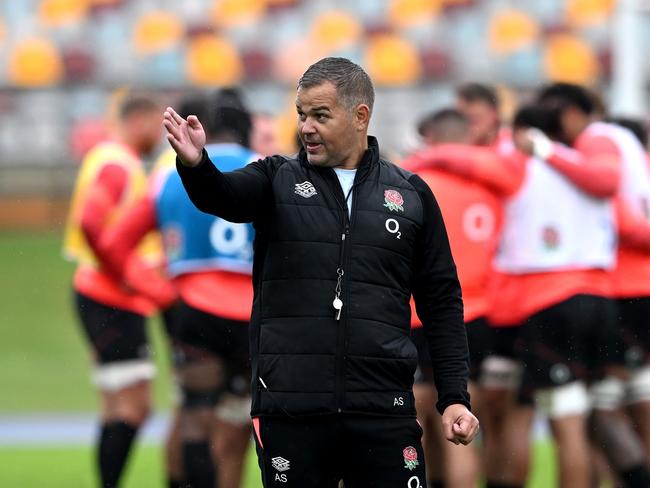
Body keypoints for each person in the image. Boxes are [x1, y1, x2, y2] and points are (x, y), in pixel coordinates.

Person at [164, 56, 478, 487]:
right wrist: (197, 165)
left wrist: (454, 398)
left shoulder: (410, 194)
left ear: (360, 115)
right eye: (301, 115)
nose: (306, 126)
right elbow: (223, 197)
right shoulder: (276, 178)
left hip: (383, 407)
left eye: (320, 115)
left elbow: (441, 301)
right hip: (290, 408)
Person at [101, 89, 258, 488]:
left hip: (195, 313)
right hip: (256, 317)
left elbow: (113, 244)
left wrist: (157, 291)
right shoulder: (266, 169)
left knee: (194, 421)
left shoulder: (168, 177)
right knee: (255, 422)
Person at [496, 94, 623, 488]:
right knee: (590, 419)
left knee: (563, 424)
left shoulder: (519, 166)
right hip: (602, 299)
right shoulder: (586, 167)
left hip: (548, 301)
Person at [63, 93, 173, 488]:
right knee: (134, 407)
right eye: (156, 125)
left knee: (116, 408)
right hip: (111, 298)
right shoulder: (119, 165)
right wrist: (125, 271)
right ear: (140, 120)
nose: (158, 136)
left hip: (99, 294)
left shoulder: (106, 158)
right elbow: (90, 221)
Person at [454, 83, 533, 488]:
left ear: (492, 115)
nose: (467, 127)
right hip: (493, 304)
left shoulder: (501, 159)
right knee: (494, 413)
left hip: (503, 305)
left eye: (472, 116)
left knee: (503, 414)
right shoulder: (489, 161)